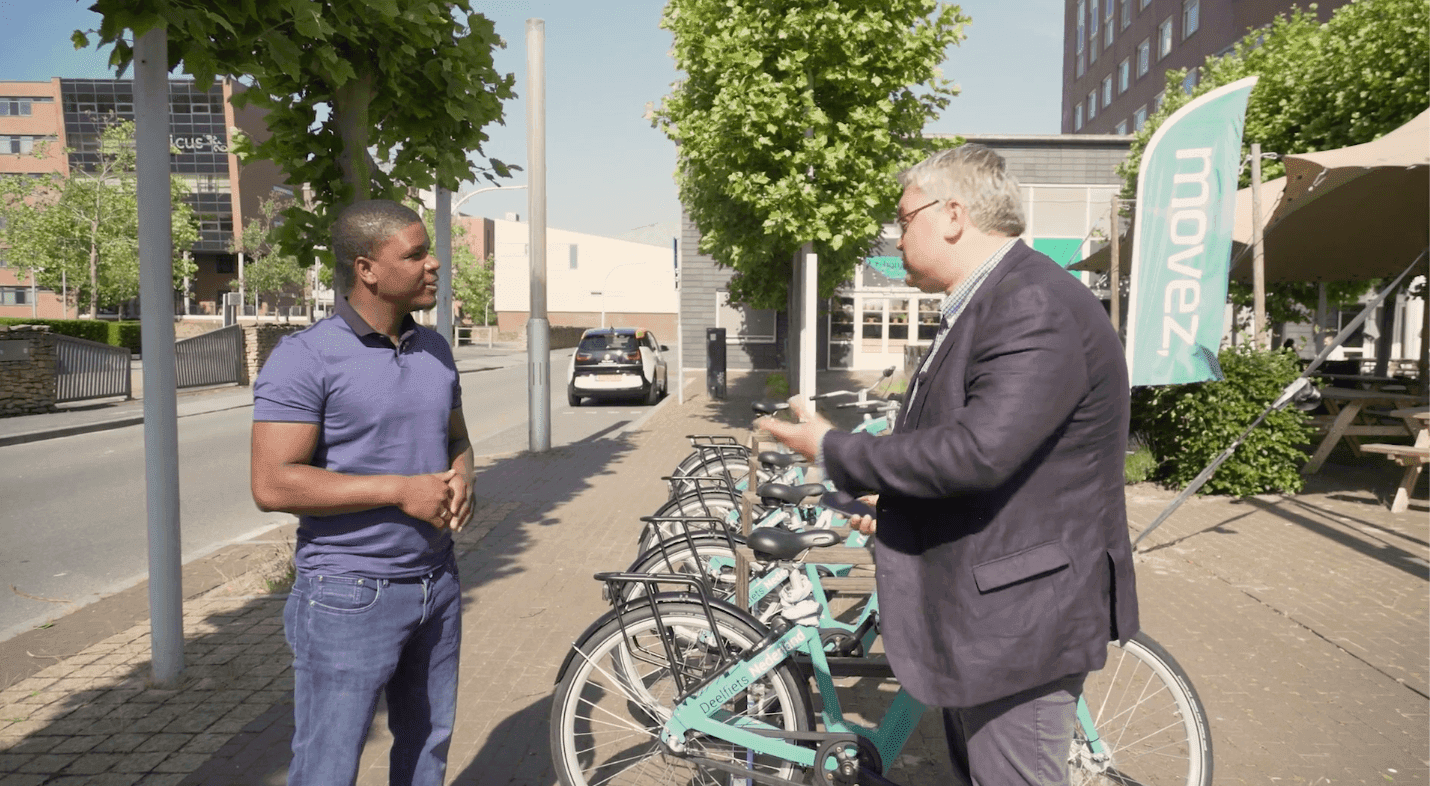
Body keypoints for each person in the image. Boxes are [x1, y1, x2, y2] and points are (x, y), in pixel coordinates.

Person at [759, 144, 1138, 785]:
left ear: (954, 214)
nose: (897, 234)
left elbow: (977, 452)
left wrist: (834, 449)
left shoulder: (1030, 303)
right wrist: (893, 509)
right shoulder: (992, 301)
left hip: (1020, 619)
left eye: (905, 219)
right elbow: (997, 458)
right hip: (994, 607)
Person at [250, 199, 474, 786]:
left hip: (438, 582)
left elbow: (456, 437)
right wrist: (400, 490)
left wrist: (463, 472)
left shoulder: (435, 349)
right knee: (328, 765)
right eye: (417, 254)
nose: (435, 264)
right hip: (348, 595)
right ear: (366, 268)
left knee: (428, 748)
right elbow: (272, 482)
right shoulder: (305, 358)